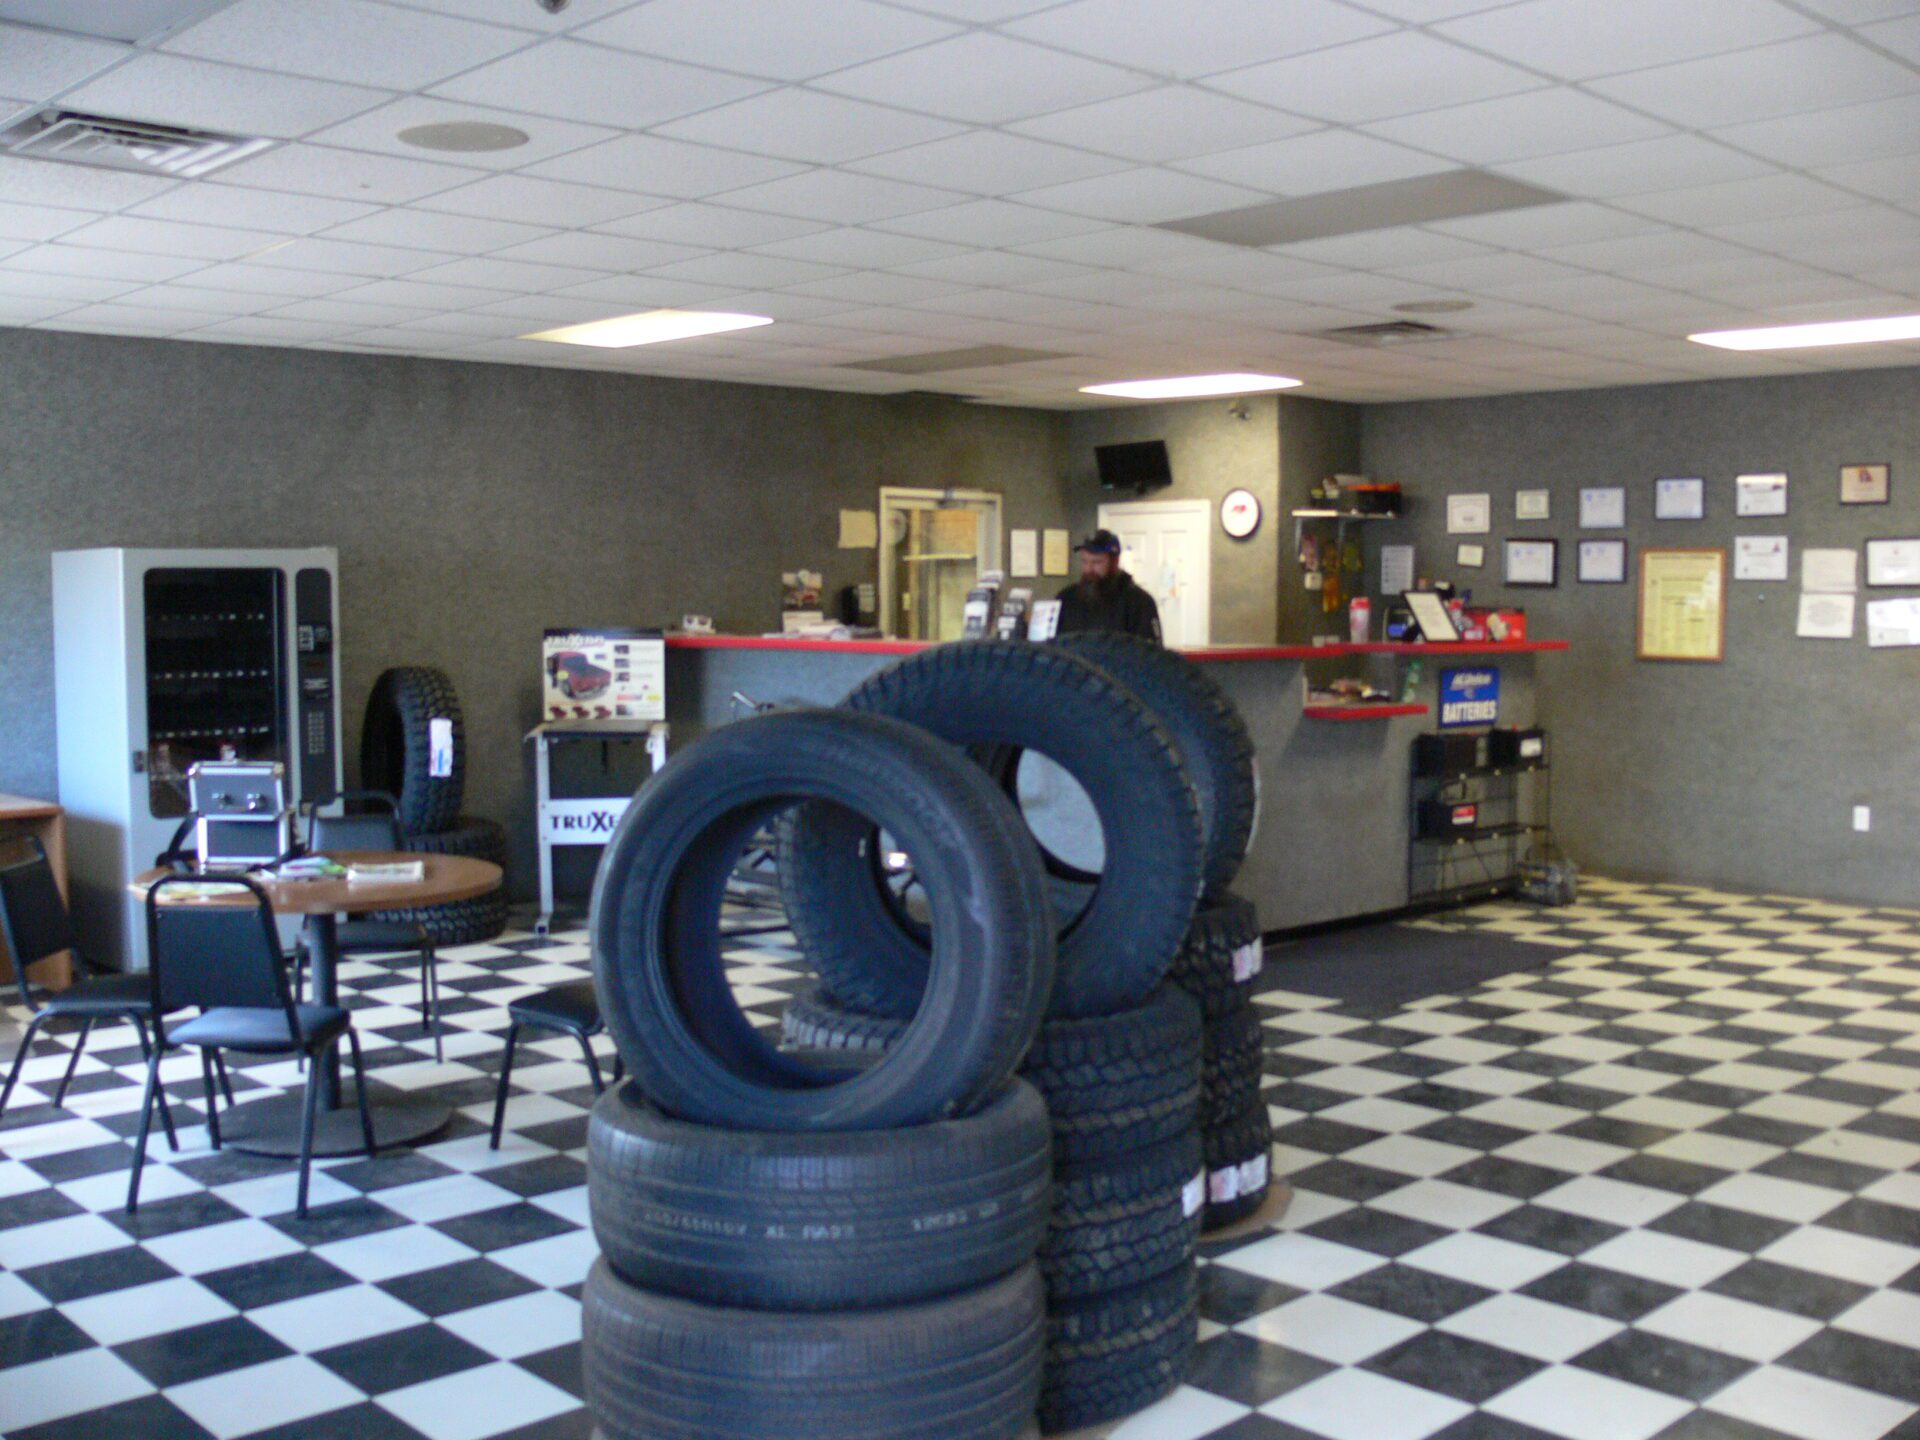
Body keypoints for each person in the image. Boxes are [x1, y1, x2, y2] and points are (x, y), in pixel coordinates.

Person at [1055, 529, 1161, 642]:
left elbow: (1151, 649)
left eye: (1097, 562)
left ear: (1115, 561)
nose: (1089, 569)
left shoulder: (1139, 602)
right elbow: (1050, 645)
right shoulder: (1066, 598)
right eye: (1085, 561)